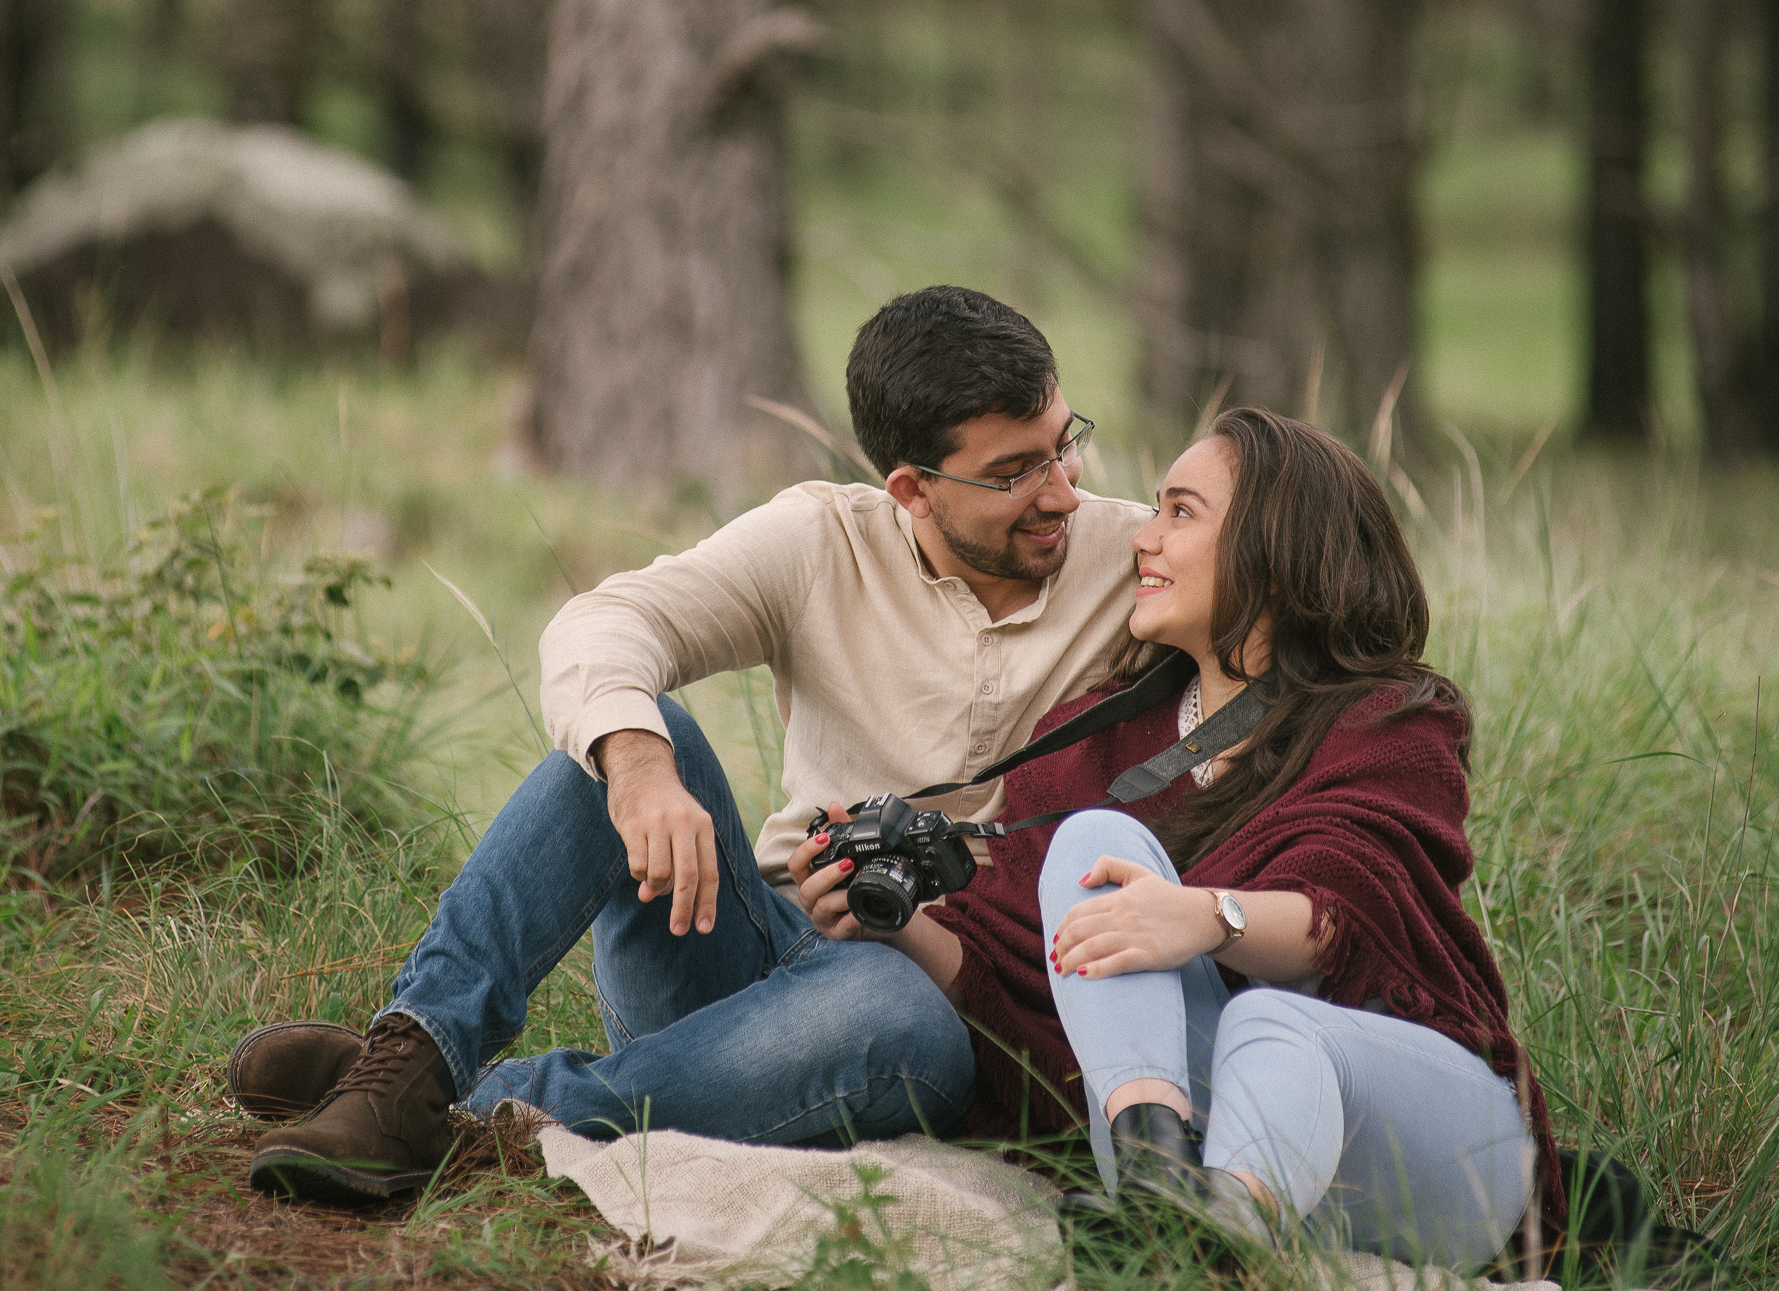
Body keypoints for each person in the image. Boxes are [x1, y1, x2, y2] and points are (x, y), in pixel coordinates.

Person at [239, 286, 1153, 1204]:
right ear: (909, 490)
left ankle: (470, 1103)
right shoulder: (821, 539)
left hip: (939, 998)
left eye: (1065, 444)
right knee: (634, 732)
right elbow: (607, 620)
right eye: (1015, 473)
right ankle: (413, 1052)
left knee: (894, 1012)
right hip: (745, 947)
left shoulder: (1133, 563)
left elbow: (1275, 636)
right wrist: (638, 769)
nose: (1062, 492)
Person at [787, 407, 1565, 1267]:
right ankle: (1172, 1199)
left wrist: (1209, 918)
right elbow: (1024, 998)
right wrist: (897, 923)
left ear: (1277, 551)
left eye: (1180, 513)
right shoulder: (1095, 744)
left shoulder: (1389, 721)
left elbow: (1358, 908)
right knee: (1093, 842)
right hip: (1218, 1130)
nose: (1141, 540)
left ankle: (1211, 1224)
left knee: (1274, 1024)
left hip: (1424, 1146)